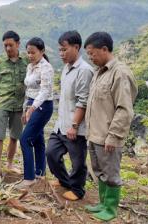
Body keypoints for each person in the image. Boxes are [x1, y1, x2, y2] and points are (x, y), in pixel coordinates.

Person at [83, 32, 138, 221]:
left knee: (111, 173)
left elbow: (124, 109)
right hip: (95, 133)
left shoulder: (120, 73)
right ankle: (103, 202)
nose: (90, 57)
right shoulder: (99, 73)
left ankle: (111, 208)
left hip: (108, 135)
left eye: (92, 53)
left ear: (105, 49)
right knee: (99, 171)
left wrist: (114, 135)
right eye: (88, 54)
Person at [46, 31, 93, 200]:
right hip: (61, 124)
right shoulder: (66, 68)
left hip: (75, 127)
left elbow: (83, 101)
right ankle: (64, 180)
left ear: (76, 47)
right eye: (59, 50)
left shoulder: (84, 71)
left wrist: (74, 125)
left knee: (78, 161)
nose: (61, 54)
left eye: (64, 50)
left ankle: (77, 190)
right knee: (51, 153)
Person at [0, 31, 29, 181]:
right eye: (5, 45)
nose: (8, 48)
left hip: (19, 104)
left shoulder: (26, 60)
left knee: (15, 136)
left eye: (10, 45)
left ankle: (10, 164)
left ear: (18, 44)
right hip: (2, 103)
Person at [16, 37, 54, 189]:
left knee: (25, 139)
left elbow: (45, 91)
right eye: (28, 53)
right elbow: (29, 90)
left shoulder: (47, 68)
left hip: (43, 106)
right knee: (38, 139)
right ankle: (39, 173)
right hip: (32, 103)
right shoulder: (30, 66)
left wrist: (32, 109)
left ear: (42, 51)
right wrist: (26, 107)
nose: (30, 56)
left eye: (33, 53)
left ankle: (29, 177)